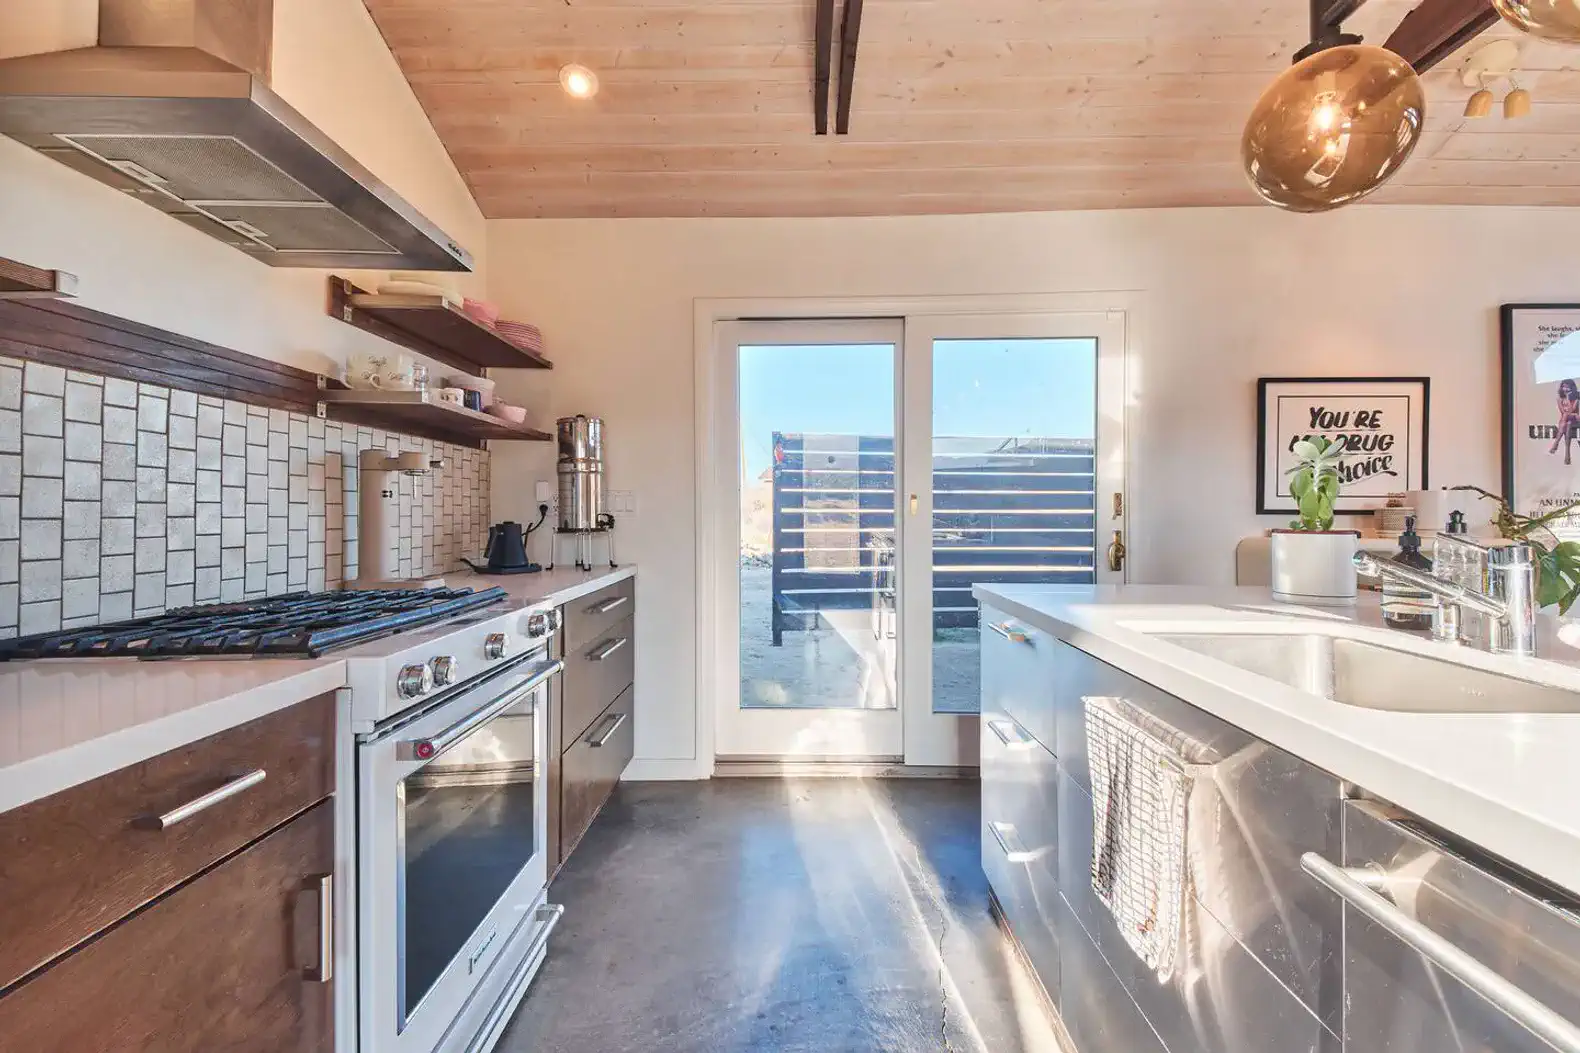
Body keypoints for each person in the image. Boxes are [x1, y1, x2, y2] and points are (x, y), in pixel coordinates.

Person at [1553, 378, 1580, 465]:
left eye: (1567, 387)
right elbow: (1563, 412)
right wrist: (1572, 414)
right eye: (1563, 387)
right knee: (1567, 424)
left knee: (1566, 420)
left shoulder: (1576, 398)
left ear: (1572, 388)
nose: (1565, 389)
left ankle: (1556, 444)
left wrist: (1568, 397)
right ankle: (1567, 456)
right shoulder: (1559, 399)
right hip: (1566, 420)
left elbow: (1572, 410)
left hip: (1575, 420)